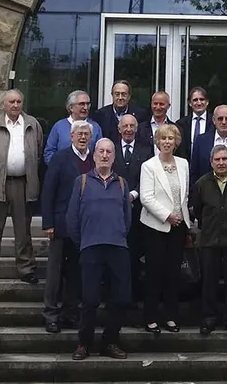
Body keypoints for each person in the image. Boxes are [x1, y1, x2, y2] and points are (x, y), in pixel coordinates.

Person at [66, 138, 131, 360]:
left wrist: (118, 235)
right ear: (94, 155)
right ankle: (84, 343)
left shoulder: (121, 183)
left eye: (109, 152)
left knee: (121, 298)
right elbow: (72, 219)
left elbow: (127, 218)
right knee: (90, 299)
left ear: (114, 157)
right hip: (91, 247)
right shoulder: (81, 181)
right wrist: (83, 242)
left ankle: (110, 341)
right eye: (101, 151)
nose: (104, 155)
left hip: (117, 247)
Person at [0, 89, 42, 286]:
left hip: (23, 183)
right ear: (4, 104)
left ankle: (26, 269)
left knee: (23, 230)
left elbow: (38, 152)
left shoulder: (32, 124)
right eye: (11, 102)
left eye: (19, 102)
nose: (15, 105)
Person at [40, 120, 94, 333]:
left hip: (84, 228)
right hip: (61, 225)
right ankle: (51, 314)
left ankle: (71, 313)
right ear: (71, 136)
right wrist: (48, 223)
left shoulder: (94, 159)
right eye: (78, 134)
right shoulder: (60, 158)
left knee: (76, 272)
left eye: (86, 134)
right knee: (55, 272)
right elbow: (49, 191)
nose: (82, 137)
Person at [139, 124, 191, 334]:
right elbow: (146, 197)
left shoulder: (183, 164)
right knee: (154, 273)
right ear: (157, 142)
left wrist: (182, 221)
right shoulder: (148, 166)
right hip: (155, 227)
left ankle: (171, 316)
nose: (167, 142)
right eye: (163, 139)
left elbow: (184, 196)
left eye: (171, 138)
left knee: (173, 274)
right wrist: (167, 216)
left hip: (178, 227)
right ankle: (151, 317)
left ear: (176, 142)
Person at [191, 145, 227, 335]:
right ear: (211, 162)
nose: (221, 163)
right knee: (209, 282)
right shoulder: (202, 183)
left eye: (224, 159)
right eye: (217, 160)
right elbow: (197, 210)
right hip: (209, 240)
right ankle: (209, 318)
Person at [112, 114, 154, 302]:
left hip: (139, 211)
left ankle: (134, 298)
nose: (128, 129)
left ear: (136, 129)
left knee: (135, 257)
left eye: (132, 126)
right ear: (119, 129)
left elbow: (149, 178)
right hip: (114, 212)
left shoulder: (146, 150)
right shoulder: (110, 149)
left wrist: (134, 194)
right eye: (125, 126)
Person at [43, 90, 102, 164]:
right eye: (82, 104)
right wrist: (58, 168)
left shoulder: (95, 127)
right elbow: (49, 153)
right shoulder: (59, 127)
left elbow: (100, 153)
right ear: (71, 107)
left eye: (88, 104)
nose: (86, 107)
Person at [175, 87, 212, 162]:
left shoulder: (214, 122)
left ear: (207, 102)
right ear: (190, 103)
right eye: (195, 100)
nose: (199, 103)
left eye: (202, 99)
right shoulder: (181, 124)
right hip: (186, 165)